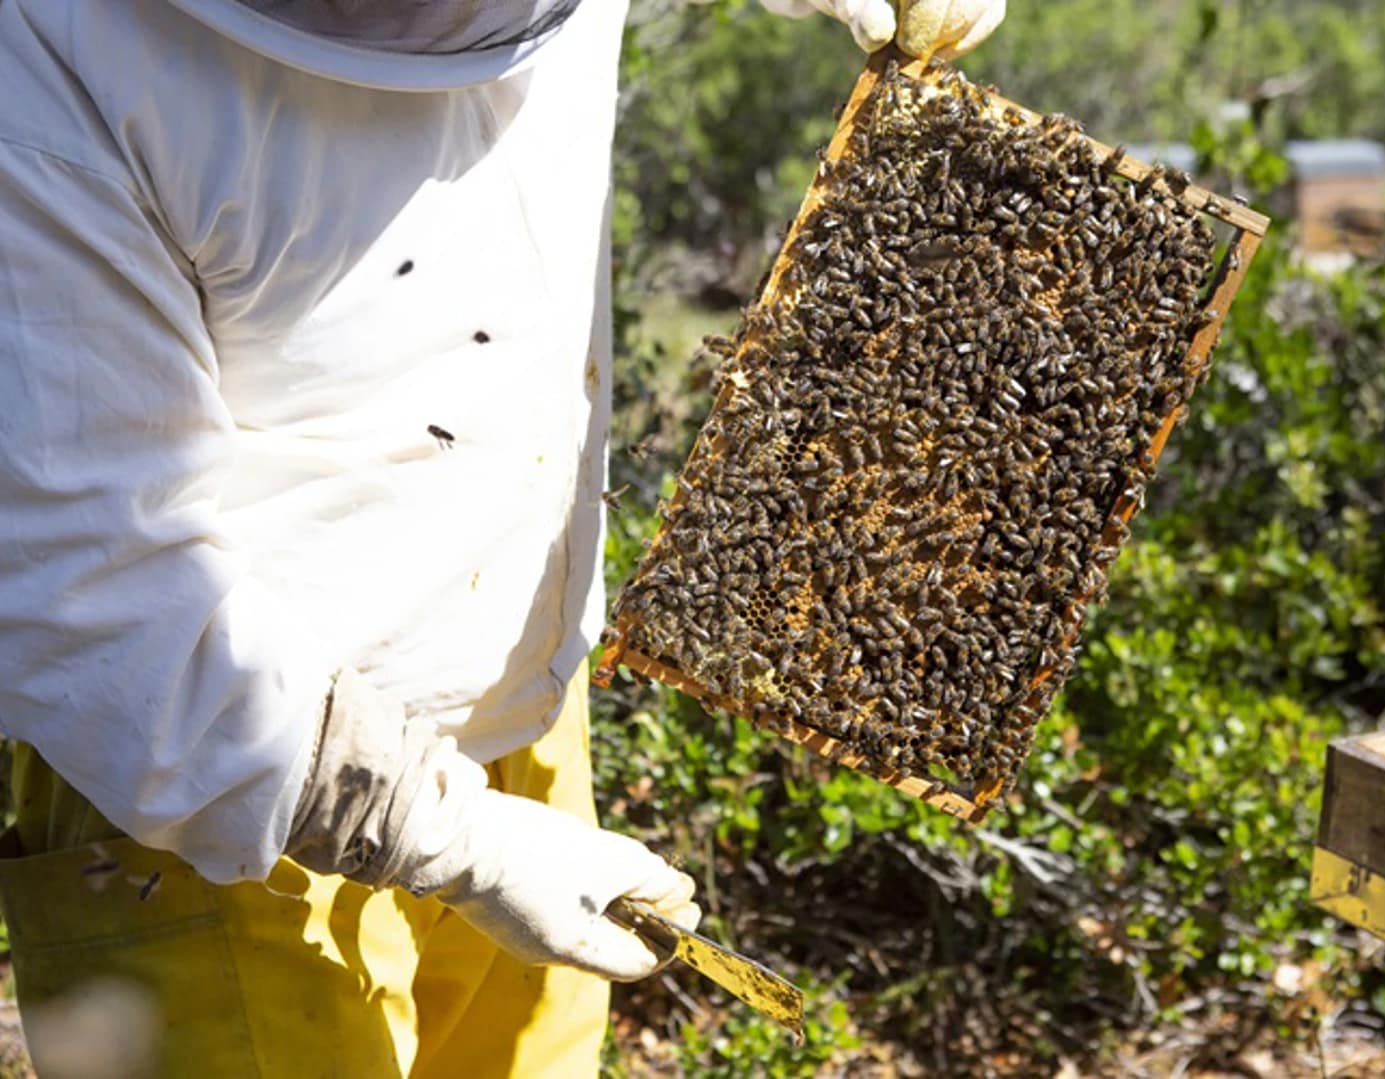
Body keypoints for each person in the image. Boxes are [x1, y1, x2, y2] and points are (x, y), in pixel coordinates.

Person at [0, 0, 1004, 1074]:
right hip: (213, 788)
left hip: (523, 699)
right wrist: (458, 842)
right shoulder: (46, 66)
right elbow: (90, 591)